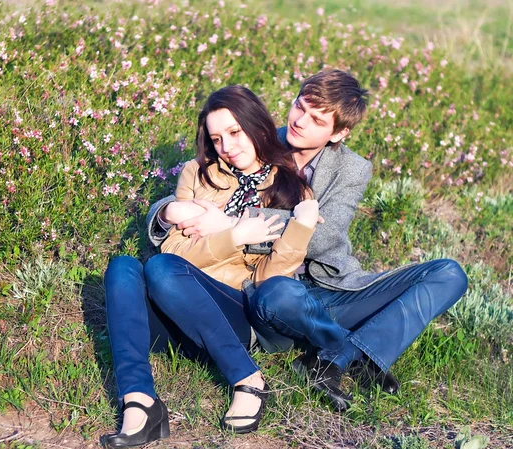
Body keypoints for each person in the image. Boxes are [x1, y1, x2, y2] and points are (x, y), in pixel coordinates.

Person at [147, 69, 469, 412]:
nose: (300, 121)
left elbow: (324, 237)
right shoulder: (260, 139)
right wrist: (167, 210)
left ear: (339, 133)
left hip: (332, 288)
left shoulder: (352, 169)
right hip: (273, 290)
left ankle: (339, 357)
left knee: (449, 274)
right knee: (280, 293)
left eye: (317, 119)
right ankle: (353, 353)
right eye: (300, 107)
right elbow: (199, 178)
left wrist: (234, 224)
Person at [102, 85, 347, 448]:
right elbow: (173, 249)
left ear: (257, 126)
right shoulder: (197, 174)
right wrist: (234, 234)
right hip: (174, 308)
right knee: (124, 267)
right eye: (217, 138)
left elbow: (268, 280)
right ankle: (141, 404)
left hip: (232, 314)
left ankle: (247, 380)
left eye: (235, 132)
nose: (227, 146)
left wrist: (302, 226)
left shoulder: (292, 189)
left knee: (160, 270)